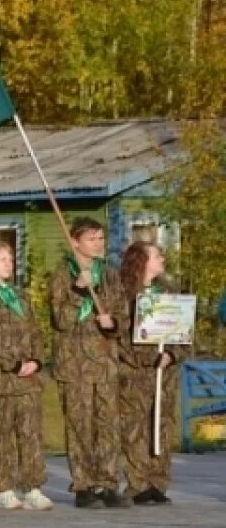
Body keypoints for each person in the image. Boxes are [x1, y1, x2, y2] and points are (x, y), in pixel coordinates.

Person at [48, 217, 129, 508]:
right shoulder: (62, 274)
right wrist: (79, 291)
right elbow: (61, 319)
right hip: (76, 362)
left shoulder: (109, 274)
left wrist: (113, 322)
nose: (98, 243)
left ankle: (107, 482)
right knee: (80, 424)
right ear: (75, 241)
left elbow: (123, 313)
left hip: (105, 360)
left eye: (101, 238)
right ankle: (83, 484)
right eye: (92, 238)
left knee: (108, 424)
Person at [0, 242, 52, 511]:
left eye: (10, 259)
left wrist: (37, 360)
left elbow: (35, 331)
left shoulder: (20, 296)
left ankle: (32, 485)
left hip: (28, 379)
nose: (8, 264)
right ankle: (3, 486)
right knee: (2, 434)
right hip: (2, 378)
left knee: (30, 433)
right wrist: (12, 364)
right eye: (2, 259)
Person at [118, 241, 188, 505]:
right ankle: (138, 483)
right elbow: (121, 336)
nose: (163, 259)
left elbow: (182, 333)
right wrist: (146, 357)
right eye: (157, 255)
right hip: (136, 373)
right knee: (136, 427)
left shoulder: (168, 293)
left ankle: (158, 481)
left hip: (164, 373)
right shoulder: (126, 295)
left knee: (162, 425)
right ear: (142, 261)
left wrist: (171, 355)